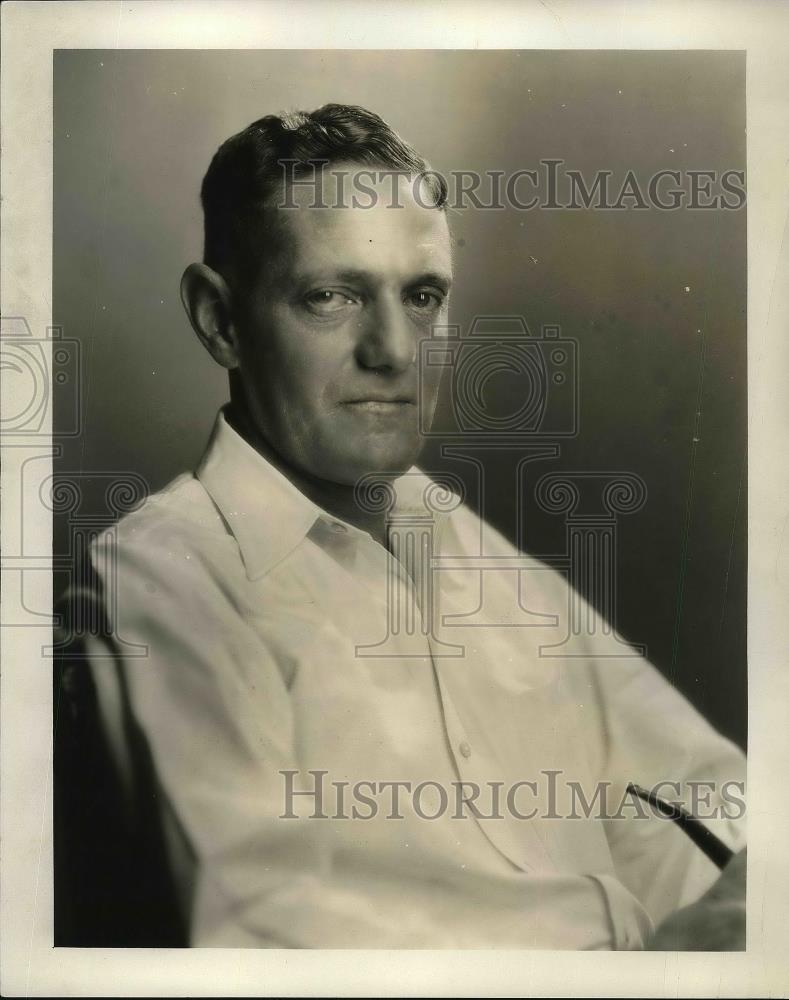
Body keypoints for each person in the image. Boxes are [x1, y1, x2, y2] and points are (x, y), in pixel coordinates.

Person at [61, 104, 746, 949]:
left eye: (421, 296)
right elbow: (261, 924)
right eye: (330, 296)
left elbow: (704, 797)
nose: (393, 349)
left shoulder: (466, 546)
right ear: (220, 321)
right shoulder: (158, 578)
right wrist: (654, 950)